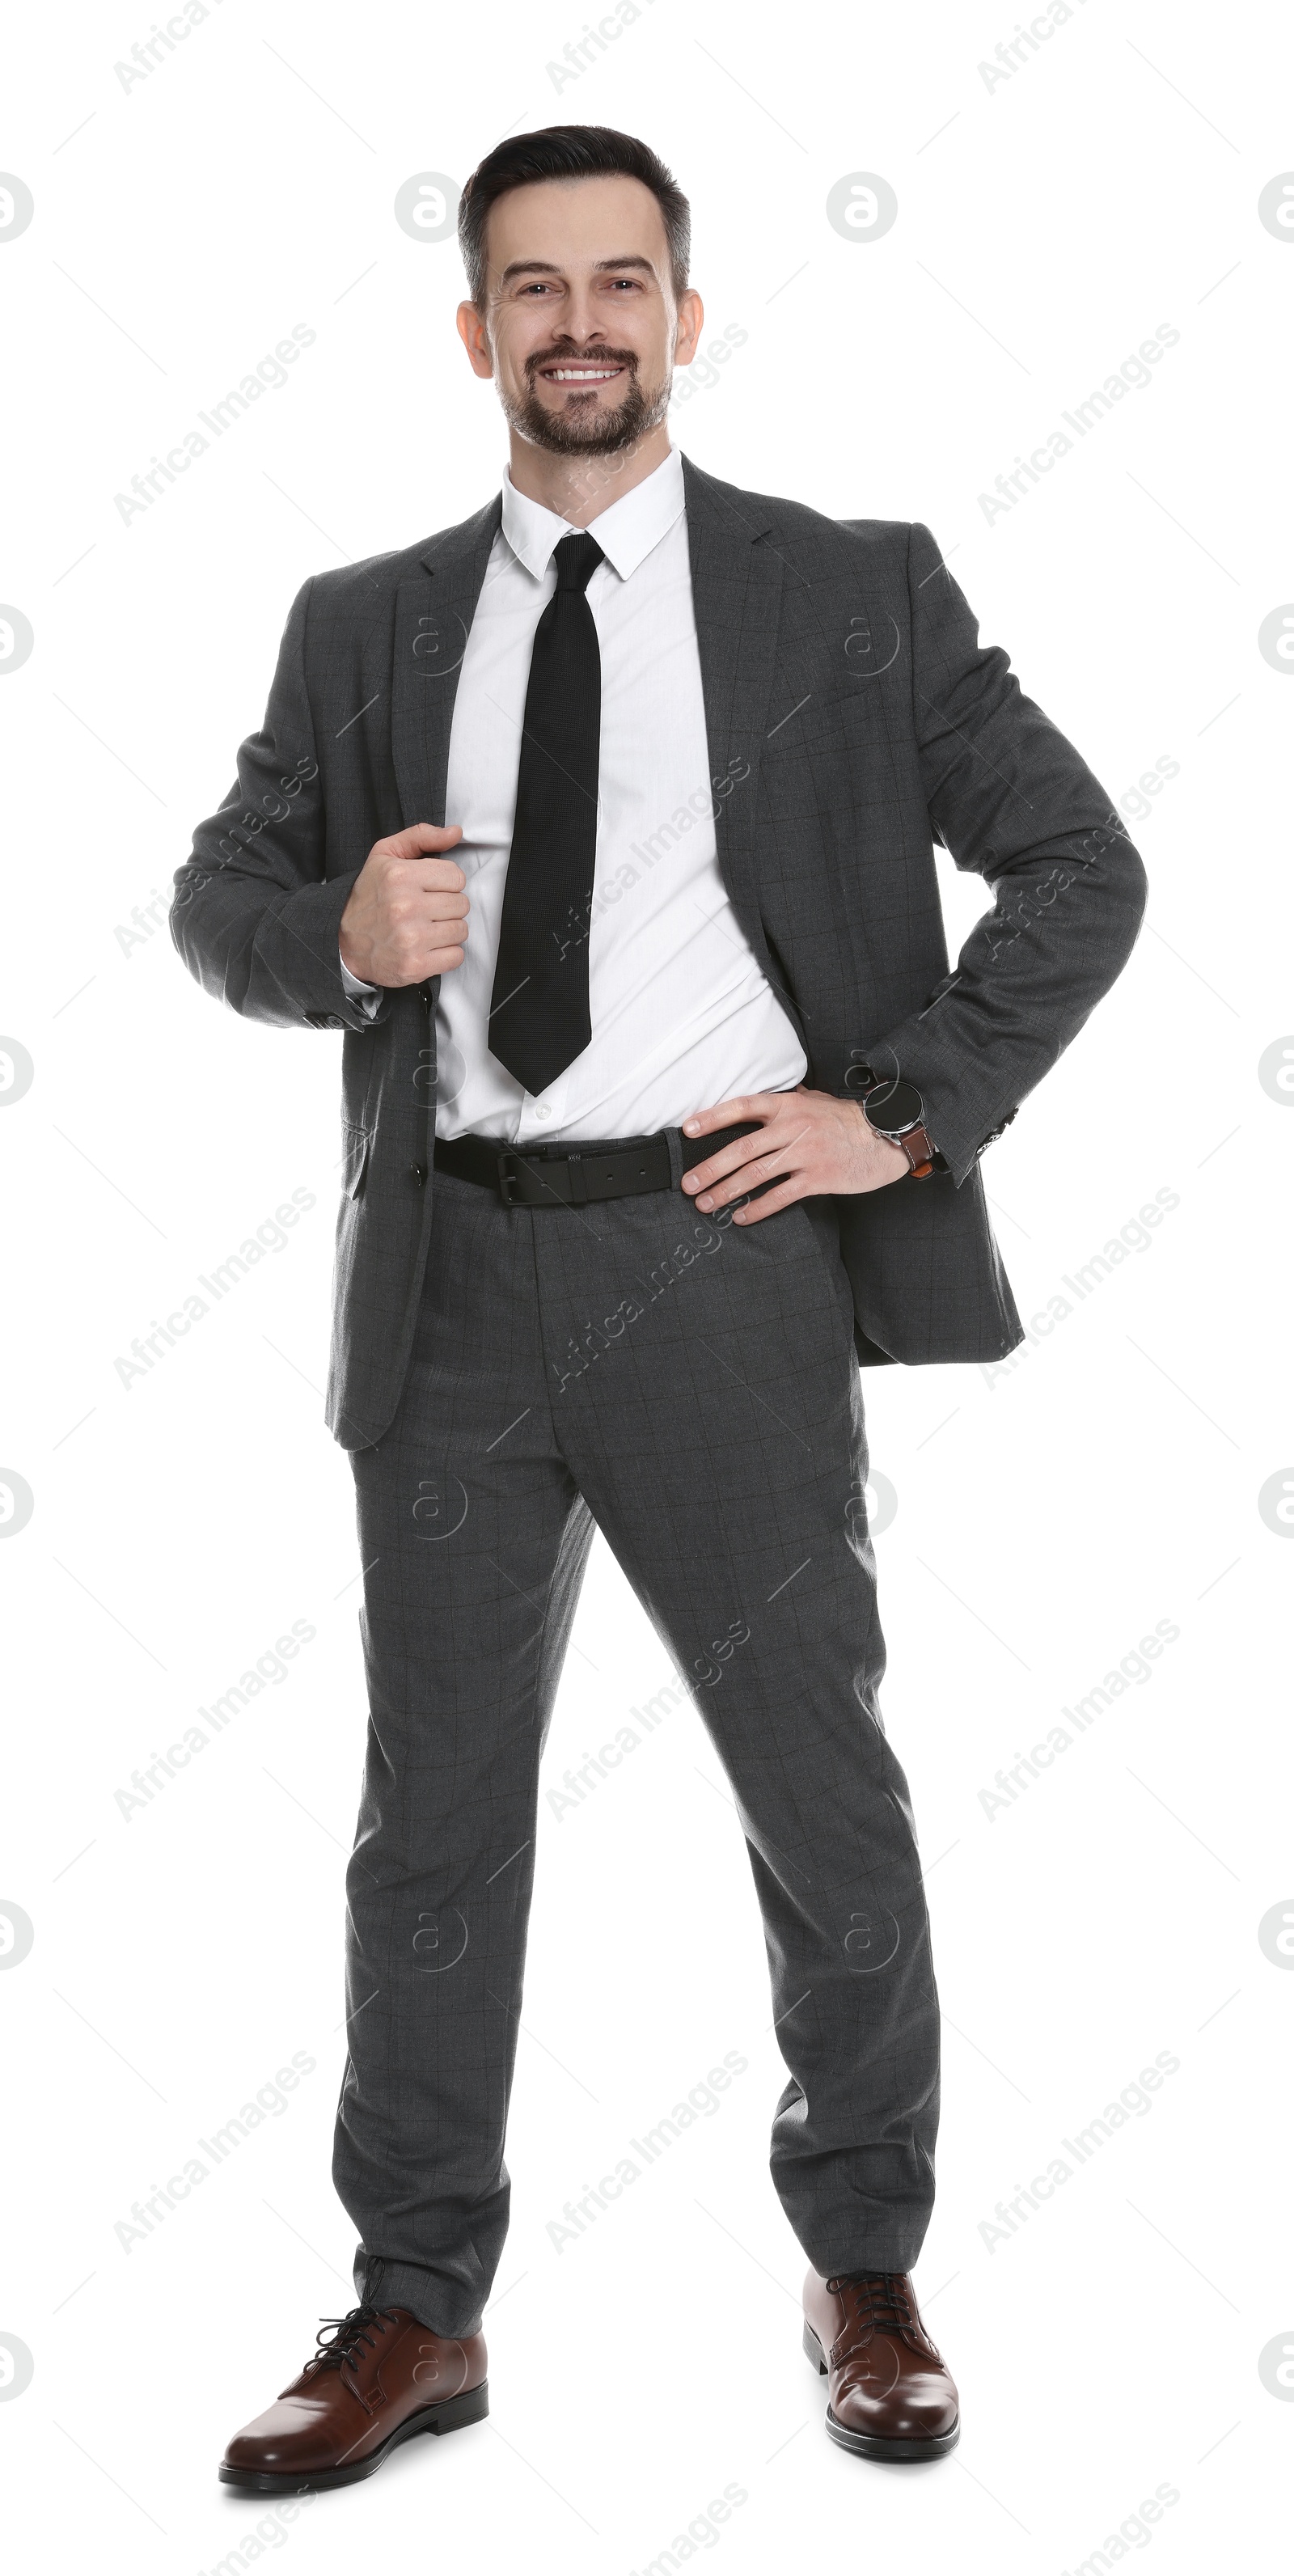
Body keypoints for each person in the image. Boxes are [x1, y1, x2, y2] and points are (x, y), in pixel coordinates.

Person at [171, 123, 1146, 2492]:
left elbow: (1081, 863)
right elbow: (219, 898)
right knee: (434, 1818)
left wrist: (896, 1113)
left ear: (686, 320)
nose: (581, 321)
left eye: (625, 281)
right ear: (476, 328)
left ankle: (868, 2261)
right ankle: (418, 2302)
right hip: (458, 1273)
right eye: (535, 285)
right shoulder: (367, 620)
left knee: (819, 1782)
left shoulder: (850, 592)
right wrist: (335, 942)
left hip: (723, 1252)